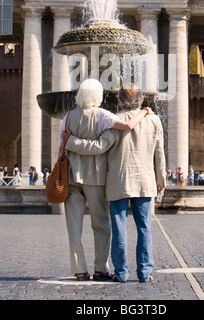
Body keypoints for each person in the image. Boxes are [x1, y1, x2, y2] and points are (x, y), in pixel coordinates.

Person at [63, 85, 166, 283]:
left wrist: (71, 141)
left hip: (118, 181)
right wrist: (161, 180)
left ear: (119, 101)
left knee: (119, 227)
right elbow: (159, 154)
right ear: (141, 100)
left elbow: (100, 147)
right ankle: (145, 272)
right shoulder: (154, 120)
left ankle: (122, 273)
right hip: (144, 181)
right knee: (144, 227)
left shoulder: (114, 122)